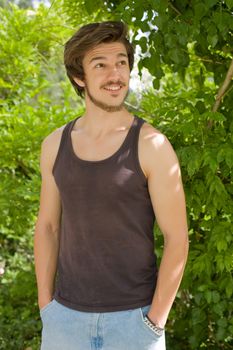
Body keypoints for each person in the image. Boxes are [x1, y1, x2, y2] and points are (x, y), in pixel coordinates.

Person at [34, 21, 189, 350]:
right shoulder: (54, 145)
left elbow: (177, 239)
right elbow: (47, 226)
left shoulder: (153, 145)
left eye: (121, 62)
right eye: (100, 65)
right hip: (64, 320)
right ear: (79, 77)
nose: (115, 74)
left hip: (135, 323)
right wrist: (46, 306)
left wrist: (154, 322)